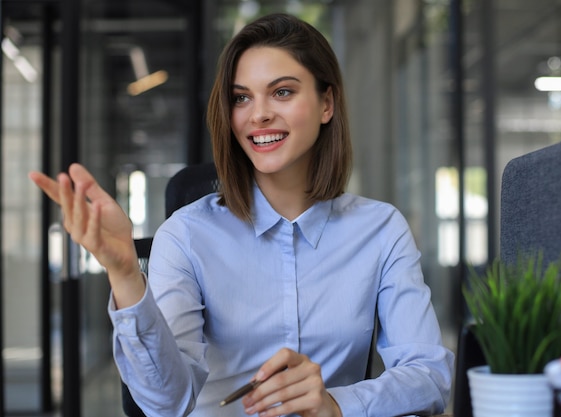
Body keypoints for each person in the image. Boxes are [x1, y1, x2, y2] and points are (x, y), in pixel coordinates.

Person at [29, 12, 454, 417]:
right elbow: (166, 405)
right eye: (241, 98)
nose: (259, 113)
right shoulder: (187, 235)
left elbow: (429, 375)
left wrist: (336, 404)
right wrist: (124, 273)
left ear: (327, 103)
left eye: (282, 92)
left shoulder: (379, 231)